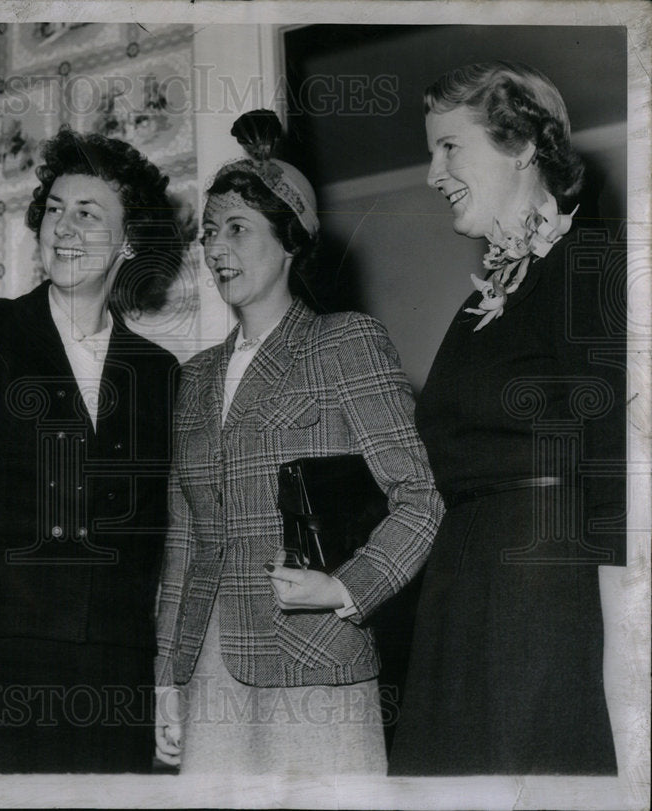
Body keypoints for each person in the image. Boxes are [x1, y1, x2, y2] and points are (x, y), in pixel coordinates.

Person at [153, 110, 444, 775]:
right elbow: (183, 539)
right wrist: (167, 675)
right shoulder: (194, 377)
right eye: (207, 233)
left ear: (289, 241)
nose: (215, 248)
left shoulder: (345, 341)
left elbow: (421, 497)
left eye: (236, 229)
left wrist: (345, 588)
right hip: (209, 670)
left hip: (316, 659)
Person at [388, 61, 626, 775]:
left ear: (522, 143)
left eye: (449, 147)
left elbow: (617, 456)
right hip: (463, 588)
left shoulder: (591, 260)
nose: (432, 174)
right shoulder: (483, 300)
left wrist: (624, 639)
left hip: (542, 595)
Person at [0, 128, 187, 773]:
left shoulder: (159, 373)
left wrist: (163, 677)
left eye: (88, 213)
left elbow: (162, 534)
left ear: (130, 241)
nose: (63, 229)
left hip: (113, 676)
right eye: (54, 210)